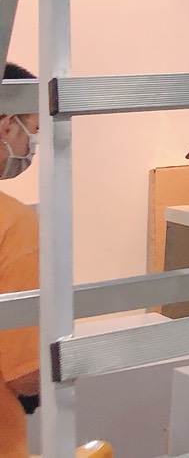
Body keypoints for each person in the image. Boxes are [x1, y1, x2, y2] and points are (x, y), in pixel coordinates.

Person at [0, 62, 38, 458]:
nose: (33, 146)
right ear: (9, 124)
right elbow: (27, 375)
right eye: (33, 129)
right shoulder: (14, 224)